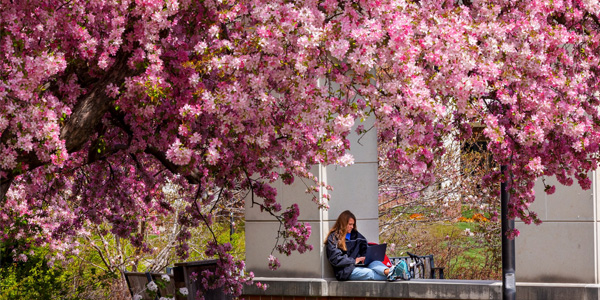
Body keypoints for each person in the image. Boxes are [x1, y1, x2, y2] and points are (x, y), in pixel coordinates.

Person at [324, 210, 409, 281]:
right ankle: (398, 274)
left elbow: (365, 249)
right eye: (350, 224)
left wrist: (366, 257)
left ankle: (391, 272)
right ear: (343, 223)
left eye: (353, 224)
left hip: (361, 265)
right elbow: (335, 259)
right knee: (369, 273)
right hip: (346, 271)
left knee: (375, 263)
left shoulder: (357, 236)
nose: (352, 227)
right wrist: (354, 261)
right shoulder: (334, 238)